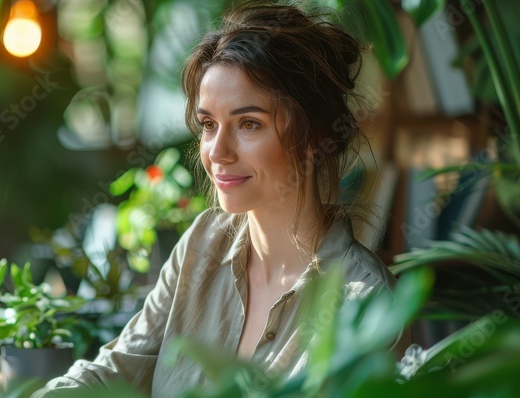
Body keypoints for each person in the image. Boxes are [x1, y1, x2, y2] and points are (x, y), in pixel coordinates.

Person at [32, 2, 408, 396]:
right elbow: (115, 371)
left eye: (249, 124)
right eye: (209, 124)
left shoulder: (364, 302)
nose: (217, 152)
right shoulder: (202, 244)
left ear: (313, 136)